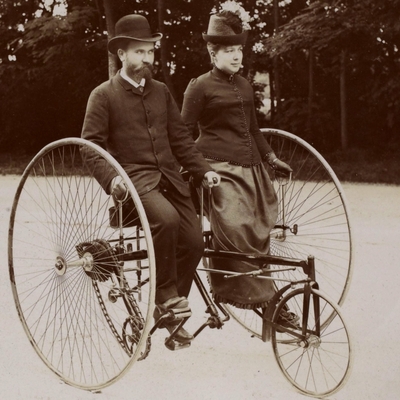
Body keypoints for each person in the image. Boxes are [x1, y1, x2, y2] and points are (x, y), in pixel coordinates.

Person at [81, 14, 220, 343]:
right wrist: (112, 180)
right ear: (122, 55)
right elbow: (90, 147)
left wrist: (204, 170)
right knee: (167, 220)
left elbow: (181, 140)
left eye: (150, 52)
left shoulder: (161, 92)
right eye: (139, 52)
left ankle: (169, 308)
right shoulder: (103, 95)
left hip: (170, 179)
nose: (146, 59)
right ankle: (165, 297)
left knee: (195, 241)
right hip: (135, 182)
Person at [181, 2, 296, 323]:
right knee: (235, 226)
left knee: (260, 226)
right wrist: (190, 169)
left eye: (239, 50)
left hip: (251, 169)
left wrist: (271, 158)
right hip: (216, 168)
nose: (236, 56)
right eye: (228, 51)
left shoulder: (244, 84)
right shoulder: (200, 86)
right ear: (212, 53)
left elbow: (253, 130)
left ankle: (263, 295)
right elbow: (182, 132)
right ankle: (256, 298)